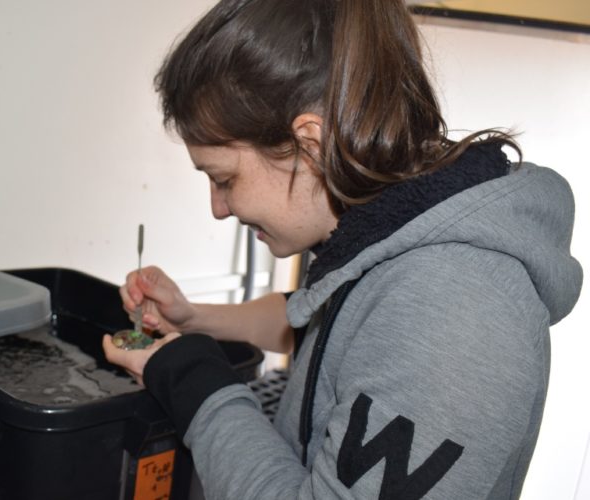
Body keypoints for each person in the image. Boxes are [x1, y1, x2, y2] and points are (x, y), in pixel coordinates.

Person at [102, 0, 583, 498]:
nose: (218, 209)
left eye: (225, 179)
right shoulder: (385, 236)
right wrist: (192, 318)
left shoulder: (455, 306)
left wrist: (191, 380)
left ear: (311, 143)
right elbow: (323, 322)